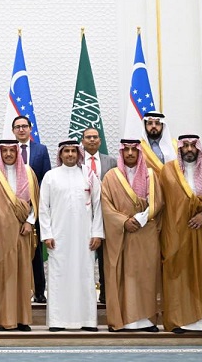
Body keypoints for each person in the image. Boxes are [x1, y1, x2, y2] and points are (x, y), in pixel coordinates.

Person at [159, 135, 202, 334]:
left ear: (198, 148)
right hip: (177, 234)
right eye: (185, 146)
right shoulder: (168, 170)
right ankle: (179, 321)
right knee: (178, 275)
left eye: (193, 145)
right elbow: (163, 202)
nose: (189, 149)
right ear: (179, 148)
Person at [39, 140, 104, 332]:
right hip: (58, 237)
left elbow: (98, 205)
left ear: (78, 154)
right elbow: (43, 208)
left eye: (73, 151)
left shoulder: (89, 175)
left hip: (85, 237)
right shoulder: (51, 176)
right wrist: (47, 234)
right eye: (66, 151)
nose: (70, 154)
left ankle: (88, 320)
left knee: (85, 275)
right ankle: (57, 321)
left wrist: (97, 233)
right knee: (59, 277)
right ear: (60, 154)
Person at [101, 139, 163, 332]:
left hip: (145, 233)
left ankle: (147, 321)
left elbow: (157, 202)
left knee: (146, 275)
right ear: (121, 152)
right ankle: (122, 321)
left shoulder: (150, 175)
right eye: (126, 150)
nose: (129, 153)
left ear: (139, 153)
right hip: (121, 234)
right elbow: (106, 206)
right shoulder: (111, 176)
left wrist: (140, 219)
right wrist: (124, 222)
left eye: (133, 150)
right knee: (122, 275)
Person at [0, 140, 40, 332]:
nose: (8, 154)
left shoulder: (29, 173)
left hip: (22, 233)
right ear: (0, 152)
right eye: (4, 150)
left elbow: (35, 202)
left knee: (22, 275)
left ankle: (22, 319)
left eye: (11, 150)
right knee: (2, 275)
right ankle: (3, 319)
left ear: (17, 152)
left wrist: (30, 222)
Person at [12, 115, 50, 303]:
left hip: (35, 207)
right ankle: (16, 291)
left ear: (30, 128)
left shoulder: (41, 150)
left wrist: (33, 199)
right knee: (14, 251)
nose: (21, 129)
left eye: (24, 126)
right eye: (17, 127)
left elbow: (46, 177)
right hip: (12, 209)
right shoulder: (7, 150)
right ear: (13, 131)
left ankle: (39, 291)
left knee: (35, 251)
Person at [81, 126, 117, 304]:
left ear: (100, 141)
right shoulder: (75, 160)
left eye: (95, 137)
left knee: (105, 256)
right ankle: (83, 294)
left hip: (106, 214)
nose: (92, 140)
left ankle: (105, 291)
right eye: (88, 137)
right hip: (82, 214)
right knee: (82, 254)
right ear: (82, 141)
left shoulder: (111, 161)